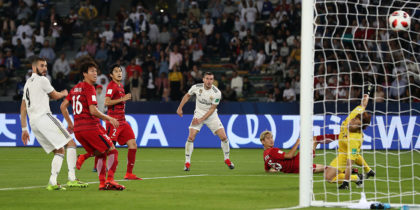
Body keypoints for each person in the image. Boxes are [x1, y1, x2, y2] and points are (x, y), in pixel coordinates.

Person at [20, 57, 88, 190]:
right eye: (41, 66)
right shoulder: (42, 80)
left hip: (34, 123)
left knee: (59, 150)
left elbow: (23, 108)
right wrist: (64, 93)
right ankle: (72, 178)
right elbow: (55, 96)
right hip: (44, 117)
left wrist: (24, 128)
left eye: (45, 66)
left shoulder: (27, 83)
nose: (45, 68)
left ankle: (52, 181)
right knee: (71, 143)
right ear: (34, 68)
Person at [60, 61, 125, 190]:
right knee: (113, 151)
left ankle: (101, 183)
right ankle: (110, 180)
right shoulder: (89, 88)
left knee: (101, 153)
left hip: (79, 130)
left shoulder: (75, 88)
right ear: (84, 74)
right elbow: (93, 111)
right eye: (91, 71)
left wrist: (70, 123)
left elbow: (63, 106)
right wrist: (109, 118)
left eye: (96, 71)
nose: (95, 74)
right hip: (91, 127)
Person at [177, 72, 234, 171]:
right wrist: (180, 108)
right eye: (207, 79)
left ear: (213, 80)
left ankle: (227, 159)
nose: (209, 81)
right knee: (191, 137)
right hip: (198, 114)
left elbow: (212, 109)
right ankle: (187, 162)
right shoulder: (196, 87)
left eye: (211, 79)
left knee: (224, 137)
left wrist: (201, 119)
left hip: (211, 116)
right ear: (203, 79)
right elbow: (187, 96)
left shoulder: (217, 93)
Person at [324, 92, 376, 190]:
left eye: (354, 124)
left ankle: (357, 178)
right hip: (343, 149)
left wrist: (346, 183)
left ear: (359, 128)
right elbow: (363, 105)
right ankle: (368, 170)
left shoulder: (354, 139)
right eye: (353, 120)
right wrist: (366, 97)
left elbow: (349, 164)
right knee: (355, 154)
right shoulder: (354, 115)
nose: (350, 123)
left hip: (344, 155)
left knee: (328, 177)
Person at [104, 65, 142, 180]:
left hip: (123, 121)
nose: (119, 73)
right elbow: (107, 102)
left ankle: (129, 173)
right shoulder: (112, 86)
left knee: (133, 145)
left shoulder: (121, 86)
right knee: (111, 148)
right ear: (111, 75)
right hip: (114, 121)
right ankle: (104, 171)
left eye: (120, 71)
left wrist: (122, 98)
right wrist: (122, 99)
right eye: (116, 71)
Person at [260, 131, 328, 173]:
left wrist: (276, 170)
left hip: (296, 170)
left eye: (271, 137)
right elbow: (290, 156)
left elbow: (267, 170)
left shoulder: (265, 156)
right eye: (268, 138)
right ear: (263, 141)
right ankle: (337, 137)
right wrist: (297, 143)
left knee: (326, 168)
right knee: (314, 140)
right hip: (298, 161)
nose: (271, 140)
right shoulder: (273, 151)